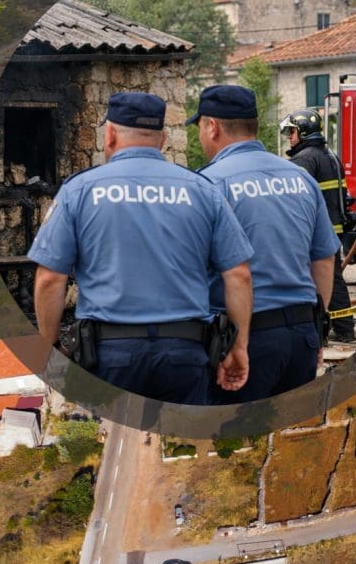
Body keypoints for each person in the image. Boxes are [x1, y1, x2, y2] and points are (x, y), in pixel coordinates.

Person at [28, 92, 253, 405]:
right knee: (183, 450)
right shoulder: (202, 189)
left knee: (115, 450)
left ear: (109, 134)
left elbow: (50, 278)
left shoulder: (79, 190)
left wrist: (49, 348)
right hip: (185, 355)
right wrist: (239, 346)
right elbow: (239, 274)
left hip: (110, 358)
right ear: (162, 139)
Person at [192, 86, 339, 403]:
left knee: (237, 444)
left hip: (242, 342)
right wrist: (317, 331)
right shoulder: (300, 178)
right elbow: (325, 259)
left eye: (201, 127)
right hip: (301, 335)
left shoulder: (207, 184)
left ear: (212, 127)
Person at [281, 109, 354, 342]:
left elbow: (295, 198)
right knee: (334, 279)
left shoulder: (304, 159)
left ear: (303, 131)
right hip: (334, 227)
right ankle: (343, 329)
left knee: (317, 280)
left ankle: (324, 331)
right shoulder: (329, 155)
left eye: (292, 132)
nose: (289, 137)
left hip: (315, 230)